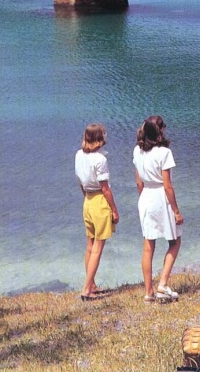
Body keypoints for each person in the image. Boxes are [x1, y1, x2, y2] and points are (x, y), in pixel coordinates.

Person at [133, 115, 183, 302]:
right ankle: (162, 284)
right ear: (160, 131)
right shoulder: (164, 153)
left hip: (145, 197)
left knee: (148, 245)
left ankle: (149, 292)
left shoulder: (137, 151)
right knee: (175, 241)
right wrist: (176, 211)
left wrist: (143, 200)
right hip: (161, 197)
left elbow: (138, 181)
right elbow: (167, 185)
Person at [75, 123, 120, 301]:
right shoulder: (100, 160)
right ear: (100, 139)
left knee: (89, 245)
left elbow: (79, 180)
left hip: (87, 200)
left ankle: (91, 284)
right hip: (100, 201)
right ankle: (87, 289)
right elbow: (105, 188)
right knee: (98, 248)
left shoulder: (79, 155)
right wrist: (114, 210)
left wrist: (86, 197)